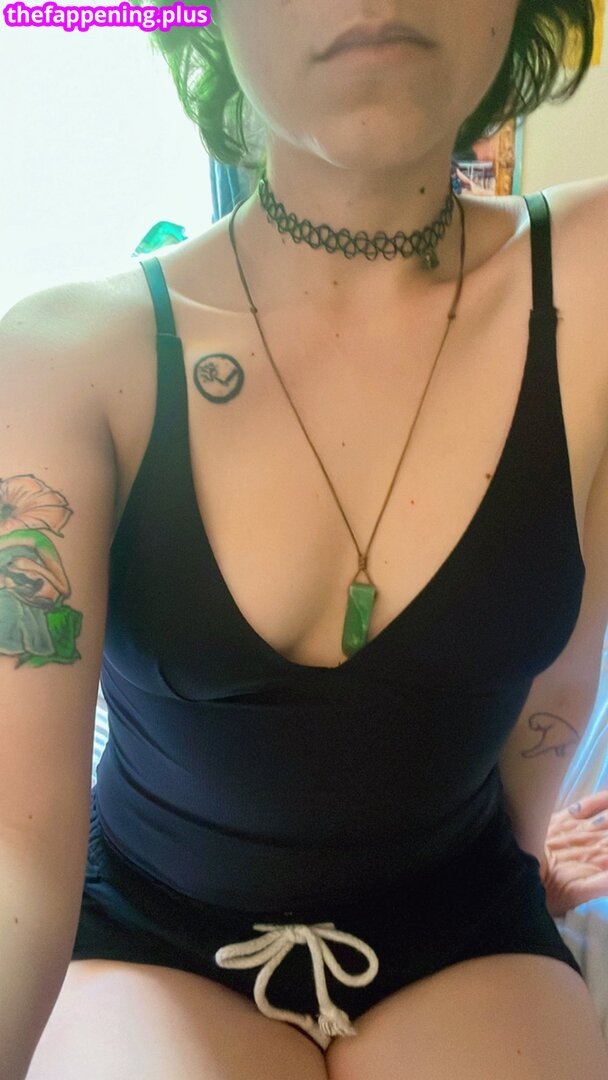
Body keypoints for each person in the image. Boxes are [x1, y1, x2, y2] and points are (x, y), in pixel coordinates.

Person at [2, 1, 608, 1077]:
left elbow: (562, 673)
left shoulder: (593, 282)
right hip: (148, 937)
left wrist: (526, 862)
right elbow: (15, 842)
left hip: (462, 919)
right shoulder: (64, 359)